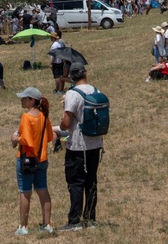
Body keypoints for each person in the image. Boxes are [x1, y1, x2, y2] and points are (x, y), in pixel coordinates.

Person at [59, 63, 103, 231]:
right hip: (96, 143)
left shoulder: (72, 94)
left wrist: (62, 121)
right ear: (85, 73)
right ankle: (90, 218)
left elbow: (66, 123)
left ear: (71, 76)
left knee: (76, 183)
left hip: (78, 146)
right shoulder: (95, 90)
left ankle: (74, 221)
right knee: (91, 182)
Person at [11, 87, 54, 236]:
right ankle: (47, 223)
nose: (21, 100)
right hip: (41, 158)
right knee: (42, 189)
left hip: (26, 159)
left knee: (25, 191)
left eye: (24, 98)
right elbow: (49, 137)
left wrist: (16, 138)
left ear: (32, 101)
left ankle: (23, 226)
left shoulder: (26, 117)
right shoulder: (44, 116)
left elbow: (26, 140)